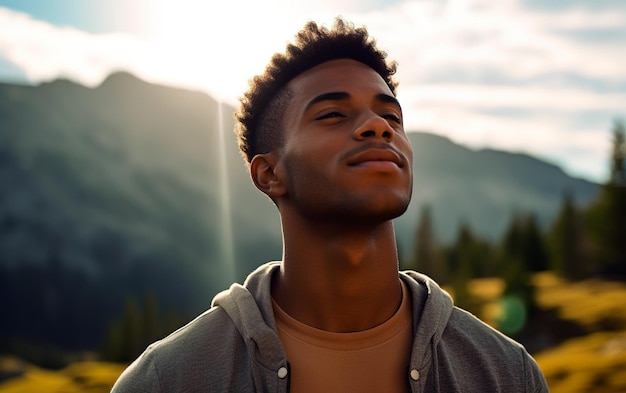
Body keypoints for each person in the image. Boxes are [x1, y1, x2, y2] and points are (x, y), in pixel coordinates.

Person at [112, 18, 549, 392]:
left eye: (391, 117)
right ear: (269, 175)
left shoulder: (507, 374)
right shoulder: (166, 380)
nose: (377, 127)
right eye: (333, 115)